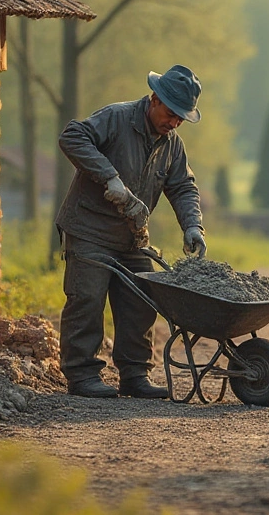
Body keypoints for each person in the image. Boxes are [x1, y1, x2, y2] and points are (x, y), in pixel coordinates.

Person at [55, 65, 208, 398]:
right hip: (89, 229)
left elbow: (183, 186)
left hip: (132, 237)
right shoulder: (116, 118)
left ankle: (135, 375)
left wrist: (193, 225)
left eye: (182, 118)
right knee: (87, 299)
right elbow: (72, 136)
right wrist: (109, 177)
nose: (175, 122)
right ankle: (81, 376)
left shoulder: (172, 145)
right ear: (154, 99)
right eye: (171, 113)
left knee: (142, 302)